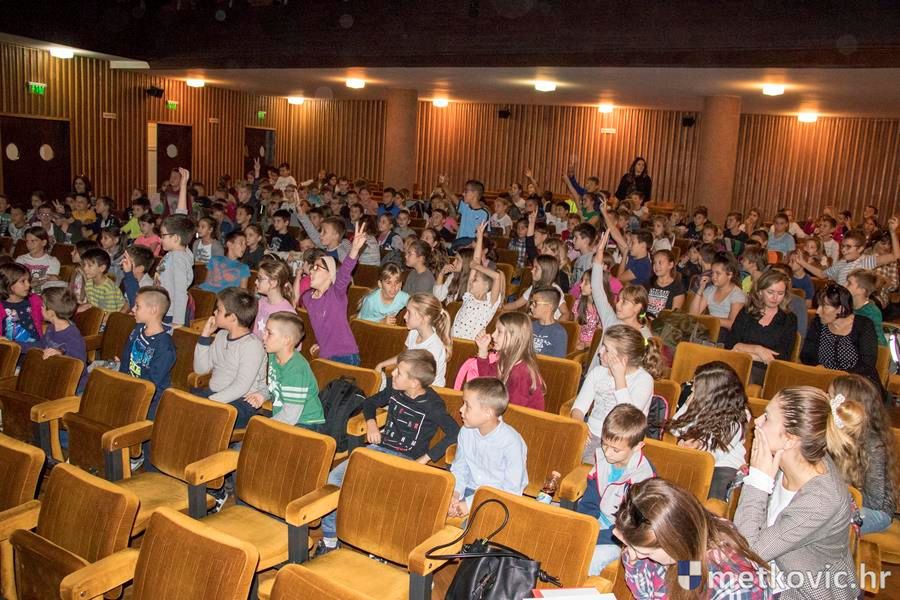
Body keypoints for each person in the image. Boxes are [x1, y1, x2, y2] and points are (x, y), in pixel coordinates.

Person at [319, 349, 460, 553]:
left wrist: (424, 459)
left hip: (405, 460)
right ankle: (330, 540)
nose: (393, 373)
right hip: (378, 450)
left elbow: (454, 432)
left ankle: (379, 547)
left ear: (414, 382)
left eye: (399, 372)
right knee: (334, 479)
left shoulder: (432, 405)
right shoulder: (395, 389)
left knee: (378, 493)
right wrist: (372, 424)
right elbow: (369, 402)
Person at [735, 386, 858, 599]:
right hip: (769, 573)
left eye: (767, 418)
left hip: (803, 591)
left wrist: (758, 480)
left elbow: (747, 552)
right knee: (686, 568)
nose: (757, 421)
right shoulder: (795, 459)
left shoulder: (820, 501)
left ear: (791, 439)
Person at [617, 478, 771, 600]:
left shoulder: (734, 585)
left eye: (647, 553)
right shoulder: (686, 544)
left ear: (675, 541)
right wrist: (634, 563)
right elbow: (647, 595)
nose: (639, 555)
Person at [576, 404, 654, 575]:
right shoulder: (603, 460)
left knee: (591, 560)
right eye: (604, 444)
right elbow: (590, 502)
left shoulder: (643, 479)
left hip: (620, 537)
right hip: (598, 523)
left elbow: (633, 528)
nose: (607, 453)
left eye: (616, 450)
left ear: (637, 446)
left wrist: (594, 536)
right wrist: (584, 527)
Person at [572, 324, 661, 463]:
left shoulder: (643, 380)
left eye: (606, 349)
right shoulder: (598, 372)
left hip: (620, 443)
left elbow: (629, 419)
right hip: (591, 434)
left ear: (623, 359)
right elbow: (579, 407)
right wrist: (580, 426)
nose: (600, 351)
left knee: (589, 468)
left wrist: (619, 377)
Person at [667, 361, 750, 500]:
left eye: (695, 386)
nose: (691, 389)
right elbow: (675, 429)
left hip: (723, 466)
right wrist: (686, 406)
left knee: (711, 498)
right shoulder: (699, 405)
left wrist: (694, 447)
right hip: (697, 459)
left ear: (712, 393)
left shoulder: (736, 418)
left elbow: (715, 455)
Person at [449, 377, 528, 517]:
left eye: (467, 406)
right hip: (469, 488)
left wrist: (470, 504)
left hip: (497, 498)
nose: (461, 409)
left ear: (488, 413)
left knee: (475, 525)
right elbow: (460, 468)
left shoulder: (511, 442)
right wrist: (454, 494)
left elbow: (511, 489)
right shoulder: (466, 431)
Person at [828, 375, 898, 534]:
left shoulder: (873, 444)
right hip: (844, 501)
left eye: (831, 397)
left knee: (826, 521)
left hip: (875, 512)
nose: (826, 400)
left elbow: (875, 502)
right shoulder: (833, 432)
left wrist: (837, 494)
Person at [193, 287, 267, 429]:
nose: (215, 312)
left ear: (232, 317)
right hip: (215, 396)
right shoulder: (221, 336)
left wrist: (209, 401)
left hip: (241, 402)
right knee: (178, 404)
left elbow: (241, 386)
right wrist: (205, 336)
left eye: (219, 310)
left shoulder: (252, 345)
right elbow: (201, 369)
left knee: (199, 416)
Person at [301, 222, 369, 365]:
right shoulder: (307, 298)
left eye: (317, 268)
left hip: (345, 355)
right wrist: (321, 343)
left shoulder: (336, 293)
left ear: (330, 274)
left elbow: (345, 272)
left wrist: (354, 249)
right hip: (324, 354)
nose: (311, 271)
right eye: (312, 268)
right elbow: (323, 324)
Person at [244, 311, 324, 429]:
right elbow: (277, 386)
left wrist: (263, 426)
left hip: (305, 423)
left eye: (269, 333)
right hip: (286, 418)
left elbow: (291, 415)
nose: (263, 336)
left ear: (286, 340)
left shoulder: (296, 370)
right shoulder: (273, 355)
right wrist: (262, 395)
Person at [724, 270, 798, 385]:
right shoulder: (746, 312)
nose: (775, 298)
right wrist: (758, 350)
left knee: (743, 376)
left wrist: (743, 351)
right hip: (739, 363)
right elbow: (730, 344)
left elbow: (782, 357)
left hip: (768, 371)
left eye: (780, 293)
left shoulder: (789, 319)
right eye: (770, 292)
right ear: (759, 292)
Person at [800, 283, 881, 388]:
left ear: (841, 309)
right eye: (818, 306)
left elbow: (867, 364)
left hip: (856, 384)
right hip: (823, 380)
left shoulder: (863, 325)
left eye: (824, 306)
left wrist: (839, 376)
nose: (818, 311)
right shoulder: (818, 323)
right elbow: (806, 355)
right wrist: (818, 367)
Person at [119, 287, 176, 419]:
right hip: (130, 387)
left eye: (137, 306)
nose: (133, 309)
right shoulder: (138, 329)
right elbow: (126, 357)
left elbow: (152, 382)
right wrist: (121, 382)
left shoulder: (164, 346)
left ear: (153, 310)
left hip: (150, 401)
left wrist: (131, 391)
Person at [374, 293, 452, 387]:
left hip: (427, 390)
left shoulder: (433, 348)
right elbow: (405, 357)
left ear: (424, 318)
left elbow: (422, 383)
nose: (404, 316)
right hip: (411, 382)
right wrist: (381, 365)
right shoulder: (414, 332)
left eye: (409, 313)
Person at [474, 311, 545, 410]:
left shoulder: (522, 372)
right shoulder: (504, 358)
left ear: (514, 337)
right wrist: (482, 350)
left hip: (521, 418)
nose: (493, 335)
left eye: (499, 332)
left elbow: (513, 411)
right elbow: (488, 382)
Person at [795, 220, 899, 286]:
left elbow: (895, 256)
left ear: (860, 249)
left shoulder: (866, 261)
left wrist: (893, 232)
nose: (844, 250)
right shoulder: (842, 262)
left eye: (848, 247)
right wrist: (803, 263)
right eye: (843, 246)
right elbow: (822, 275)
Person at [451, 225, 503, 340]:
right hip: (453, 340)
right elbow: (475, 260)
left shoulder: (489, 302)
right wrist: (479, 237)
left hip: (469, 344)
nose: (470, 282)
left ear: (486, 285)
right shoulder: (469, 296)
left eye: (475, 280)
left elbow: (497, 277)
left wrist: (477, 267)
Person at [156, 177, 194, 326]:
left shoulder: (178, 260)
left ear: (176, 238)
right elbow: (181, 216)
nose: (160, 239)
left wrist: (177, 322)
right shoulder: (178, 251)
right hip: (163, 309)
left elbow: (180, 293)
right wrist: (183, 185)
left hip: (171, 315)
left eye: (163, 235)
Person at [39, 287, 87, 391]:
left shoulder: (72, 335)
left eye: (42, 306)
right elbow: (40, 345)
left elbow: (79, 365)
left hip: (73, 387)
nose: (40, 308)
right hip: (56, 377)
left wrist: (60, 355)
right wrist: (16, 344)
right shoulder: (51, 328)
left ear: (51, 313)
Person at [689, 253, 746, 335]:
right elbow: (693, 315)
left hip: (726, 333)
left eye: (718, 273)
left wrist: (709, 319)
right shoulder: (710, 290)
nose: (713, 277)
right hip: (710, 329)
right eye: (712, 273)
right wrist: (700, 289)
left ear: (729, 275)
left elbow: (732, 324)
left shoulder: (737, 294)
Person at [252, 258, 295, 339]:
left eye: (260, 279)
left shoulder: (286, 313)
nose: (256, 282)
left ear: (273, 283)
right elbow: (255, 332)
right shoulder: (262, 301)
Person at [79, 248, 128, 314]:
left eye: (89, 265)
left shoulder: (108, 289)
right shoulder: (88, 284)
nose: (85, 268)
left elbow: (110, 315)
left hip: (114, 317)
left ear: (102, 268)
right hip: (98, 315)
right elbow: (91, 306)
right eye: (84, 265)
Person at [846, 269, 887, 346]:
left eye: (849, 283)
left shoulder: (871, 312)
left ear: (862, 290)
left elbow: (877, 342)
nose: (845, 285)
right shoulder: (847, 305)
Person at [16, 226, 60, 292]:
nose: (29, 245)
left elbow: (51, 285)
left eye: (33, 241)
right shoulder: (21, 260)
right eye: (27, 241)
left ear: (43, 242)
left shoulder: (52, 261)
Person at [529, 287, 567, 358]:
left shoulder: (559, 332)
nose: (531, 306)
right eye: (531, 303)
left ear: (549, 306)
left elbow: (558, 361)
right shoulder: (530, 326)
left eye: (535, 303)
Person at [646, 250, 685, 318]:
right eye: (654, 263)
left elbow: (674, 316)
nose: (656, 266)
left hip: (663, 323)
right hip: (645, 321)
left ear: (670, 265)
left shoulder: (677, 288)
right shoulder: (648, 283)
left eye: (660, 263)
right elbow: (641, 308)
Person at [572, 270, 601, 351]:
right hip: (581, 344)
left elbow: (600, 335)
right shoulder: (579, 303)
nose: (580, 285)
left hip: (596, 345)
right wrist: (578, 342)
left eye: (586, 283)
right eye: (582, 281)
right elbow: (576, 330)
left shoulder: (603, 308)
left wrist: (586, 344)